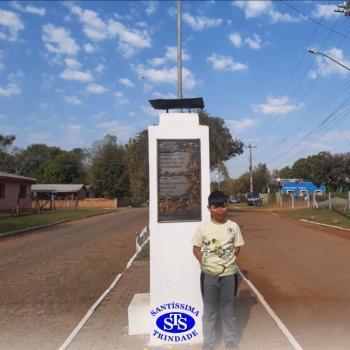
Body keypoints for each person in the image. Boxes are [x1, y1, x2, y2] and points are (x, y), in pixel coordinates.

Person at [192, 191, 244, 350]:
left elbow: (237, 246)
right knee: (210, 311)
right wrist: (206, 263)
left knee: (228, 311)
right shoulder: (203, 229)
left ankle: (230, 342)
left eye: (223, 206)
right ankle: (208, 343)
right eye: (216, 207)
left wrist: (228, 261)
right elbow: (196, 249)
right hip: (209, 277)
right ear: (209, 208)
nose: (220, 210)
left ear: (227, 206)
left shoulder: (233, 227)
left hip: (229, 276)